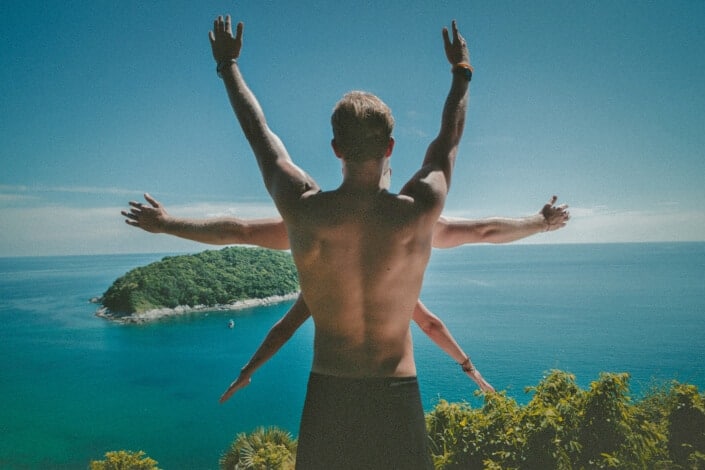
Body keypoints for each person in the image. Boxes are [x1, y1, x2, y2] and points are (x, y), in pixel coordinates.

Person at [209, 13, 470, 468]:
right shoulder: (420, 209)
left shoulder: (304, 209)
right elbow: (447, 141)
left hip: (330, 392)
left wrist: (228, 66)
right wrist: (461, 73)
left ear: (335, 148)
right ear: (389, 147)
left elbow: (260, 136)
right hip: (397, 390)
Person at [122, 193, 569, 395]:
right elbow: (480, 236)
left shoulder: (321, 271)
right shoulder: (399, 265)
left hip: (331, 390)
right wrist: (540, 222)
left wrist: (169, 224)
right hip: (395, 388)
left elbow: (241, 237)